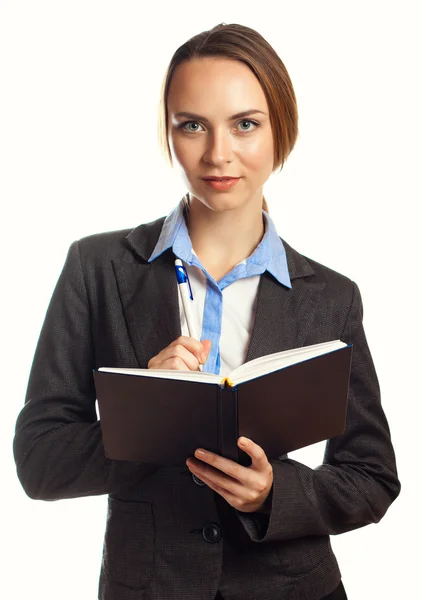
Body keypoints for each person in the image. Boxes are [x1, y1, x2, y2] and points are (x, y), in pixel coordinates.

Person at [13, 22, 400, 600]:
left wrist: (274, 496)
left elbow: (372, 478)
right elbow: (39, 462)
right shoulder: (97, 268)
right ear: (168, 134)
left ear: (281, 132)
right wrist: (145, 415)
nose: (218, 153)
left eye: (246, 124)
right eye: (192, 125)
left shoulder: (332, 296)